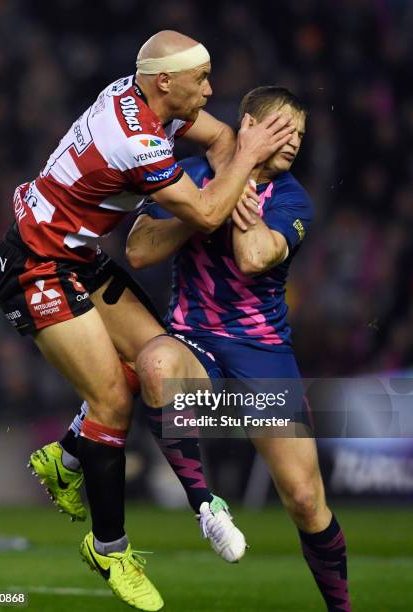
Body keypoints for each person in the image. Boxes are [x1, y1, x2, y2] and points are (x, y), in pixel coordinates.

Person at [0, 29, 295, 611]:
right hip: (35, 267)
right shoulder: (134, 137)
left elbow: (224, 137)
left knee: (155, 357)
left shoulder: (152, 105)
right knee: (111, 401)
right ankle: (110, 548)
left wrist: (240, 182)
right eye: (200, 79)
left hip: (75, 258)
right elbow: (207, 209)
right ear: (165, 83)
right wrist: (247, 168)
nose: (210, 89)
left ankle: (67, 458)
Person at [127, 87, 352, 612]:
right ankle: (206, 505)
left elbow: (254, 258)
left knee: (303, 499)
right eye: (282, 127)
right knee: (155, 362)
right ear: (247, 124)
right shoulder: (187, 173)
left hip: (263, 353)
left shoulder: (294, 199)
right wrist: (204, 208)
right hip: (194, 340)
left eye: (300, 132)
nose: (294, 139)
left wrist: (239, 192)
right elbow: (138, 249)